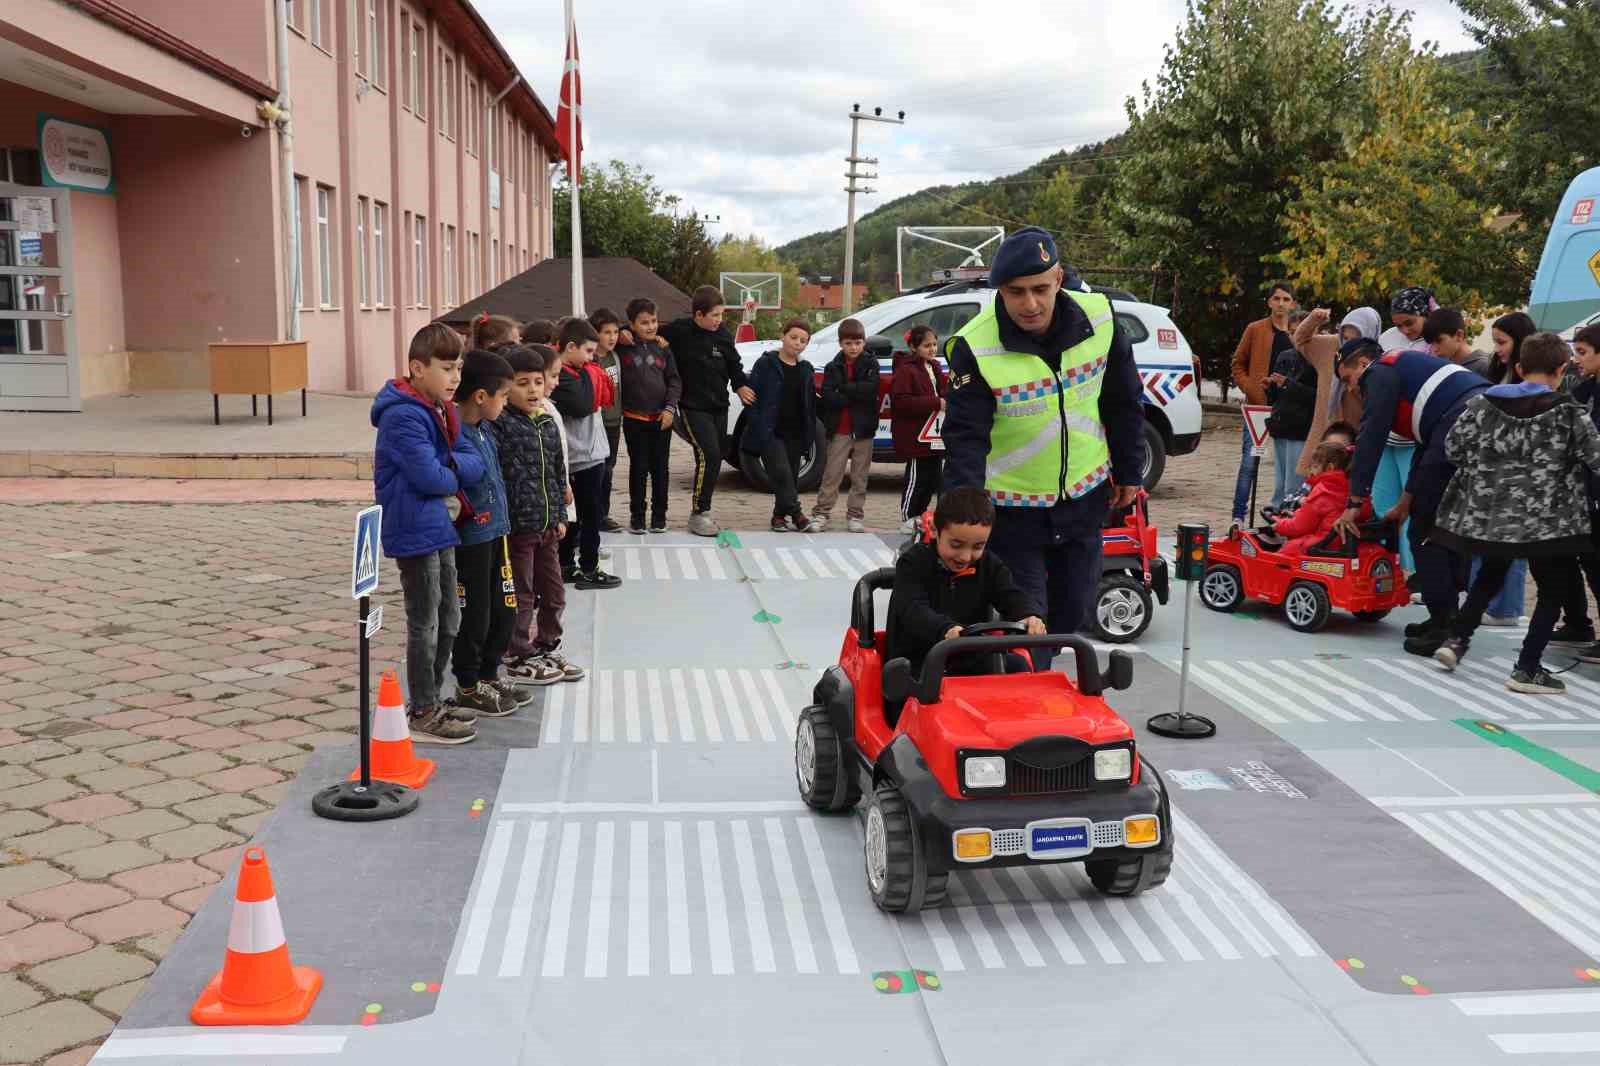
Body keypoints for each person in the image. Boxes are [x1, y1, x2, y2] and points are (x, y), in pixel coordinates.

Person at [942, 226, 1145, 638]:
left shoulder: (1101, 318)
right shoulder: (974, 346)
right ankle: (1027, 691)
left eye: (1039, 288)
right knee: (1028, 630)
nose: (1030, 304)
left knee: (1073, 619)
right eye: (1016, 292)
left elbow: (1123, 400)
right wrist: (962, 520)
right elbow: (966, 441)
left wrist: (1128, 470)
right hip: (1013, 515)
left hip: (1085, 503)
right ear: (999, 290)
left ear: (1058, 279)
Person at [1431, 333, 1600, 694]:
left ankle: (1455, 642)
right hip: (1550, 522)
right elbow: (1596, 459)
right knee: (1553, 592)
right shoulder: (1570, 413)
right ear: (1561, 368)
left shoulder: (1480, 404)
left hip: (1494, 516)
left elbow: (1453, 449)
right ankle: (1527, 668)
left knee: (1487, 578)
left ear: (1520, 368)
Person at [1332, 338, 1488, 655]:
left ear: (1362, 364)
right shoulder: (1408, 372)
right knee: (1446, 523)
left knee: (1425, 531)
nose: (1351, 389)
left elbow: (1371, 437)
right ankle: (1445, 616)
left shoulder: (1379, 372)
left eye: (1347, 378)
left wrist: (1353, 503)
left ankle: (1444, 625)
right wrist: (1405, 503)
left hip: (1462, 423)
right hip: (1476, 421)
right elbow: (1426, 448)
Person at [370, 324, 484, 744]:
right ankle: (422, 709)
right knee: (426, 621)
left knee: (449, 617)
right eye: (447, 368)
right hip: (414, 526)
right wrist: (452, 472)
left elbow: (475, 462)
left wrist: (450, 471)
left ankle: (433, 697)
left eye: (459, 368)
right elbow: (430, 477)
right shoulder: (402, 415)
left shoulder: (441, 408)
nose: (456, 377)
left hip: (439, 525)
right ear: (417, 368)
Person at [884, 487, 1045, 706]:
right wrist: (945, 629)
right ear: (936, 530)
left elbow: (1010, 594)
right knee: (917, 691)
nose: (965, 556)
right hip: (919, 657)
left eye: (978, 546)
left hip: (970, 654)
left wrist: (1029, 615)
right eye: (956, 545)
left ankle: (1017, 728)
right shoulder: (913, 563)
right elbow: (912, 608)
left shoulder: (989, 565)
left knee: (1017, 667)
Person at [449, 350, 532, 720]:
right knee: (476, 614)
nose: (506, 402)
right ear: (481, 396)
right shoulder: (454, 433)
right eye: (503, 394)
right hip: (471, 538)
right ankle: (468, 685)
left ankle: (489, 674)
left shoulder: (486, 431)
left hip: (497, 531)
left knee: (505, 609)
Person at [493, 346, 576, 687]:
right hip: (519, 529)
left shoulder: (547, 422)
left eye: (538, 382)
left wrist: (559, 515)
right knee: (523, 593)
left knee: (554, 592)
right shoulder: (501, 425)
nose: (532, 390)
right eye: (522, 383)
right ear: (506, 388)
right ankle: (518, 653)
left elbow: (557, 474)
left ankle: (547, 645)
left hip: (547, 527)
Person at [661, 286, 754, 537]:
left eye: (721, 315)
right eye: (714, 315)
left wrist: (740, 385)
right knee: (710, 455)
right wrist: (627, 335)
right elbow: (645, 331)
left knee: (713, 456)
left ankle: (703, 509)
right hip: (692, 407)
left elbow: (734, 365)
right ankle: (699, 514)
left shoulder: (722, 335)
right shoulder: (679, 331)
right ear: (699, 315)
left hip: (719, 406)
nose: (719, 320)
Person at [551, 319, 621, 590]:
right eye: (589, 352)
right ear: (570, 347)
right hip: (580, 456)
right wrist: (593, 374)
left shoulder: (580, 371)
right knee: (588, 515)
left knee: (577, 514)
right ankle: (588, 568)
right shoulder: (566, 375)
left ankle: (567, 564)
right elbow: (581, 406)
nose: (593, 358)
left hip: (589, 453)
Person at [1227, 281, 1299, 529]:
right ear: (1269, 301)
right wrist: (1251, 388)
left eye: (1286, 299)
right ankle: (1238, 516)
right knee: (1249, 462)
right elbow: (1237, 363)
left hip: (1288, 409)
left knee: (1287, 466)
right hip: (1257, 407)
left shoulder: (1297, 333)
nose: (1281, 303)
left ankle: (1283, 517)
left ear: (1293, 304)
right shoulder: (1255, 329)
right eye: (1277, 298)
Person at [742, 319, 818, 532]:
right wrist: (756, 423)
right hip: (770, 431)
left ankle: (778, 516)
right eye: (793, 337)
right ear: (782, 336)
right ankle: (798, 515)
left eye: (803, 341)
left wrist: (809, 432)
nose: (797, 343)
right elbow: (751, 397)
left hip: (795, 432)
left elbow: (809, 404)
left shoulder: (806, 369)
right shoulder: (766, 363)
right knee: (782, 473)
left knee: (790, 479)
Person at [617, 297, 681, 534]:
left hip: (661, 419)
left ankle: (659, 517)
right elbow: (600, 331)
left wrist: (670, 409)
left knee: (660, 469)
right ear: (632, 324)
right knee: (638, 468)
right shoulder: (622, 345)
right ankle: (637, 517)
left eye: (653, 321)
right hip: (634, 419)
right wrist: (622, 332)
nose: (651, 326)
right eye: (644, 322)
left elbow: (674, 380)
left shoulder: (664, 348)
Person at [811, 317, 880, 533]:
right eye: (848, 343)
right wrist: (851, 394)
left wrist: (845, 389)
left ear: (864, 342)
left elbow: (871, 390)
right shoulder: (833, 366)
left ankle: (855, 515)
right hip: (839, 428)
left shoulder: (871, 363)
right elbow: (829, 395)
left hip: (863, 429)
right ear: (841, 344)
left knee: (860, 475)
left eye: (858, 343)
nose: (853, 347)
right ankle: (821, 513)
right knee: (832, 474)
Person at [891, 325, 948, 533]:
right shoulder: (906, 370)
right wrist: (935, 403)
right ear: (913, 347)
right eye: (926, 346)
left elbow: (944, 390)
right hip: (915, 435)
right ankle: (908, 516)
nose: (932, 349)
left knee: (932, 478)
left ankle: (921, 516)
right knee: (916, 478)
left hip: (933, 436)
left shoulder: (935, 367)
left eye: (934, 344)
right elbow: (902, 402)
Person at [1565, 324, 1600, 658]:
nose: (1576, 359)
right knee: (1591, 562)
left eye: (1583, 352)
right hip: (1584, 495)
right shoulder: (1584, 389)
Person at [1266, 314, 1318, 508]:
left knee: (1293, 485)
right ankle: (1277, 520)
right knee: (1279, 484)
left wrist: (1288, 384)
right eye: (1292, 332)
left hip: (1301, 429)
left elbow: (1318, 396)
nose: (1296, 337)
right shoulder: (1285, 355)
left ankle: (1290, 521)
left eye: (1300, 332)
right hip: (1281, 424)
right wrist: (1270, 386)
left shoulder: (1318, 357)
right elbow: (1275, 395)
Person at [1268, 442, 1357, 554]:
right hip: (1344, 542)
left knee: (1288, 549)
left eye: (1314, 467)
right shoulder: (1355, 489)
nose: (1310, 472)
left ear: (1329, 468)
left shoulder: (1322, 490)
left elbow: (1299, 527)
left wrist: (1277, 525)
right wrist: (1295, 514)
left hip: (1325, 544)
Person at [589, 308, 625, 533]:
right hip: (596, 423)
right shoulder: (591, 358)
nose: (613, 337)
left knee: (609, 470)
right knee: (596, 471)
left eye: (615, 332)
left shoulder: (616, 354)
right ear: (595, 334)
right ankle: (591, 516)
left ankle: (603, 515)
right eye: (607, 332)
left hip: (614, 422)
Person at [1424, 308, 1493, 377]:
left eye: (1439, 341)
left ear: (1459, 335)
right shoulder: (1445, 370)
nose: (1434, 349)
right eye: (1431, 344)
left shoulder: (1484, 367)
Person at [1487, 312, 1538, 384]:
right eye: (1495, 342)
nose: (1496, 349)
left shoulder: (1536, 378)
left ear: (1520, 341)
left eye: (1501, 342)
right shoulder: (1498, 368)